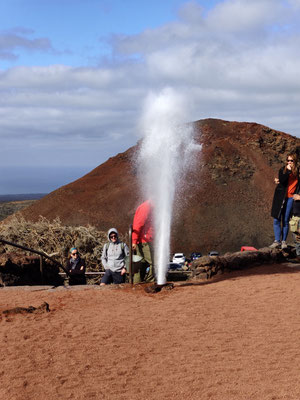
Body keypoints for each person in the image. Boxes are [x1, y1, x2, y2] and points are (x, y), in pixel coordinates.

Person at [270, 153, 299, 249]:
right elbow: (281, 180)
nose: (289, 162)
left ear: (295, 161)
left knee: (286, 220)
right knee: (276, 218)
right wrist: (288, 172)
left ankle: (283, 242)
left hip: (290, 198)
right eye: (288, 160)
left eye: (291, 160)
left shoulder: (298, 172)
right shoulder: (283, 170)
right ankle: (277, 241)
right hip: (280, 197)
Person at [132, 200, 155, 283]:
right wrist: (134, 241)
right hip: (144, 242)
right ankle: (150, 282)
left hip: (145, 241)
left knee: (141, 265)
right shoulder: (146, 207)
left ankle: (137, 284)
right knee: (155, 263)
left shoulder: (151, 207)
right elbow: (138, 224)